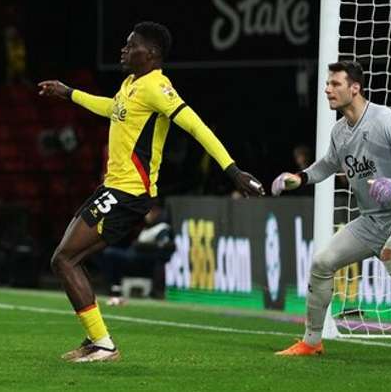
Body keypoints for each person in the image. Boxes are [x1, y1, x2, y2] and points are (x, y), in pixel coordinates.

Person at [38, 21, 264, 363]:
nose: (124, 50)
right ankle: (96, 340)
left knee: (63, 259)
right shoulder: (132, 84)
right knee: (69, 259)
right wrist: (68, 92)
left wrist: (232, 170)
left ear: (152, 54)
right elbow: (110, 109)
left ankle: (102, 344)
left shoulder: (158, 87)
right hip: (114, 189)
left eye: (131, 46)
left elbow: (196, 126)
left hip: (128, 193)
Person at [271, 60, 391, 361]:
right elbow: (327, 165)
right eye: (327, 83)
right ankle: (312, 342)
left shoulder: (387, 121)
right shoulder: (339, 131)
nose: (327, 89)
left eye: (335, 84)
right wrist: (300, 178)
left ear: (355, 88)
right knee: (322, 262)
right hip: (374, 219)